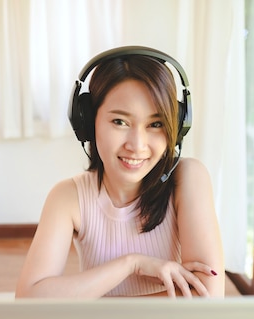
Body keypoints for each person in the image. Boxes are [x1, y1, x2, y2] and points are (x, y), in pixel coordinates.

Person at [16, 46, 225, 298]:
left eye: (155, 124)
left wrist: (90, 306)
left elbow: (207, 296)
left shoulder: (188, 177)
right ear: (88, 121)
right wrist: (132, 263)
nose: (137, 145)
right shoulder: (68, 197)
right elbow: (29, 298)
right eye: (120, 122)